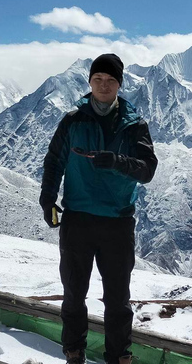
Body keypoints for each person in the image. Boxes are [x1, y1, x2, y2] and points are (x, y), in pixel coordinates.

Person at [39, 53, 158, 364]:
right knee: (74, 295)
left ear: (119, 84)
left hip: (117, 223)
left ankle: (119, 357)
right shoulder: (72, 120)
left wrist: (118, 162)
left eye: (110, 80)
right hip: (77, 219)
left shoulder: (135, 125)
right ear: (89, 82)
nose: (103, 85)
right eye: (98, 79)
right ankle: (74, 354)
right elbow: (54, 161)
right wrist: (47, 198)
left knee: (118, 300)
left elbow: (147, 170)